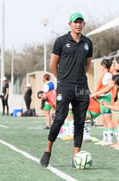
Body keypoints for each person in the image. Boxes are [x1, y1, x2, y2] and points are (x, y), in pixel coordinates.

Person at [40, 12, 93, 168]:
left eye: (80, 22)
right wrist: (62, 80)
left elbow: (87, 65)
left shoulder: (87, 43)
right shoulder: (61, 41)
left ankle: (76, 157)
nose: (77, 24)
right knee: (59, 118)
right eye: (75, 22)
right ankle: (48, 150)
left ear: (84, 24)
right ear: (69, 24)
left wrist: (79, 78)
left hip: (82, 88)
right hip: (65, 86)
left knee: (80, 121)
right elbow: (52, 65)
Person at [90, 58, 113, 145]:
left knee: (108, 120)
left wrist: (97, 94)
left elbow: (109, 87)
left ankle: (109, 140)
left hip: (106, 98)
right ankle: (105, 139)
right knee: (104, 120)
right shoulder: (105, 75)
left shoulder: (107, 75)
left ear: (104, 66)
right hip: (102, 98)